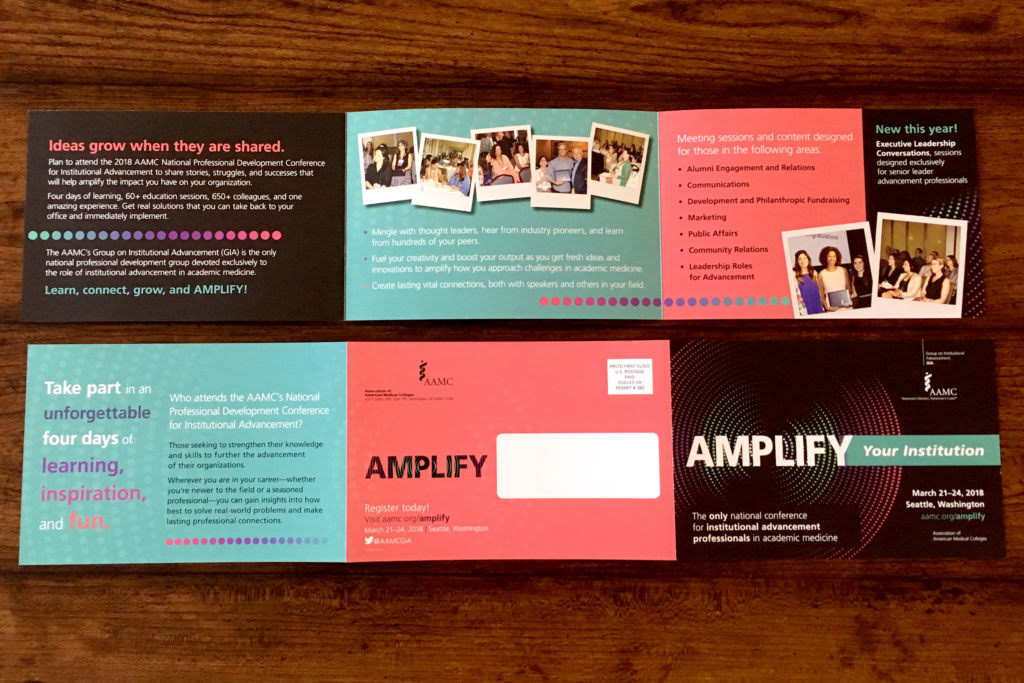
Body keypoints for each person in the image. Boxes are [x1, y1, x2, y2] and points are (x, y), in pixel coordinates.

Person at [817, 246, 852, 311]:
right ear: (825, 258)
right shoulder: (821, 274)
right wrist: (827, 307)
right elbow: (821, 295)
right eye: (829, 256)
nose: (832, 258)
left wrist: (847, 300)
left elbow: (849, 290)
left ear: (837, 257)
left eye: (834, 256)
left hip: (846, 307)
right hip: (832, 309)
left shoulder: (843, 270)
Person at [792, 250, 824, 315]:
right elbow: (793, 293)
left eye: (804, 258)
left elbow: (821, 291)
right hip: (805, 309)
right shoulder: (794, 275)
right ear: (797, 261)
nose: (803, 261)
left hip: (818, 306)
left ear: (808, 259)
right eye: (800, 259)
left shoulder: (814, 272)